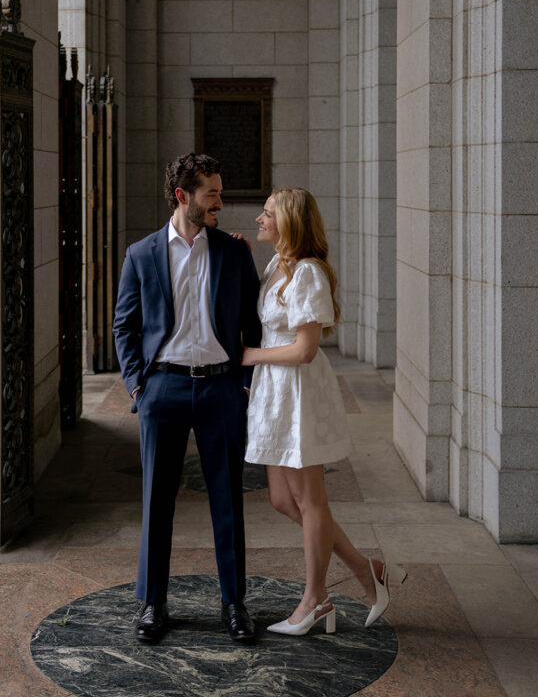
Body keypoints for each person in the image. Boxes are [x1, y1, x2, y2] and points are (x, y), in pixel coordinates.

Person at [242, 187, 407, 635]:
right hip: (276, 392)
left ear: (289, 222)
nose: (259, 218)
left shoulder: (308, 273)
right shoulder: (279, 264)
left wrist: (251, 356)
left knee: (311, 500)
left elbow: (306, 350)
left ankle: (315, 599)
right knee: (281, 499)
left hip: (299, 394)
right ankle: (365, 568)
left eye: (268, 213)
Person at [113, 153, 262, 645]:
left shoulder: (234, 252)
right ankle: (153, 603)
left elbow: (253, 324)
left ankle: (234, 603)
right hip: (164, 389)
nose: (221, 200)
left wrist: (242, 386)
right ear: (184, 197)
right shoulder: (141, 255)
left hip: (221, 387)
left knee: (228, 499)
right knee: (158, 500)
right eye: (212, 193)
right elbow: (125, 326)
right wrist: (139, 385)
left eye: (220, 191)